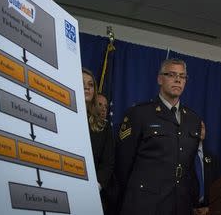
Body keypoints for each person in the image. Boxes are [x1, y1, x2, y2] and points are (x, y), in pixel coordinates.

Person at [116, 58, 201, 215]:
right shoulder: (140, 113)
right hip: (145, 204)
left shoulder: (193, 119)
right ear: (159, 79)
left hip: (180, 204)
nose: (177, 80)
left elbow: (190, 166)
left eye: (182, 77)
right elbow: (123, 163)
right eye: (172, 74)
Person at [82, 68, 115, 213]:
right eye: (82, 83)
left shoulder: (104, 127)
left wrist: (96, 186)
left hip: (91, 194)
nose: (86, 87)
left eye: (90, 84)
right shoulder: (60, 115)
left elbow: (108, 162)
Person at [191, 121, 218, 215]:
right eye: (197, 127)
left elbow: (216, 185)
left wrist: (210, 207)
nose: (200, 130)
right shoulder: (183, 156)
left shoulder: (212, 158)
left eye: (202, 127)